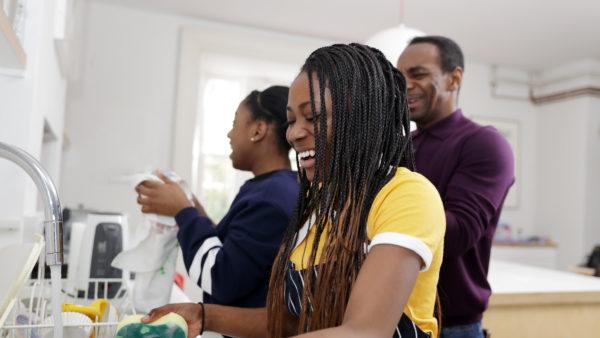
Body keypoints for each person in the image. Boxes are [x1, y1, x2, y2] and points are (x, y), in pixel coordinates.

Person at [143, 43, 446, 338]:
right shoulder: (319, 207)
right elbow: (293, 323)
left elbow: (364, 331)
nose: (294, 133)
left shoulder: (406, 194)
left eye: (312, 117)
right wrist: (204, 315)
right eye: (291, 120)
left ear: (361, 116)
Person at [135, 85, 300, 309]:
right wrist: (189, 203)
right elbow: (233, 250)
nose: (229, 134)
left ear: (258, 130)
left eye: (235, 124)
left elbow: (220, 277)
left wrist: (182, 211)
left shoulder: (270, 199)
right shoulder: (274, 188)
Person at [397, 36, 515, 338]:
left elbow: (458, 232)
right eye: (400, 77)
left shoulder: (484, 143)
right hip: (392, 314)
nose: (405, 84)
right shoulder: (403, 146)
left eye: (418, 74)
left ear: (454, 78)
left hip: (451, 325)